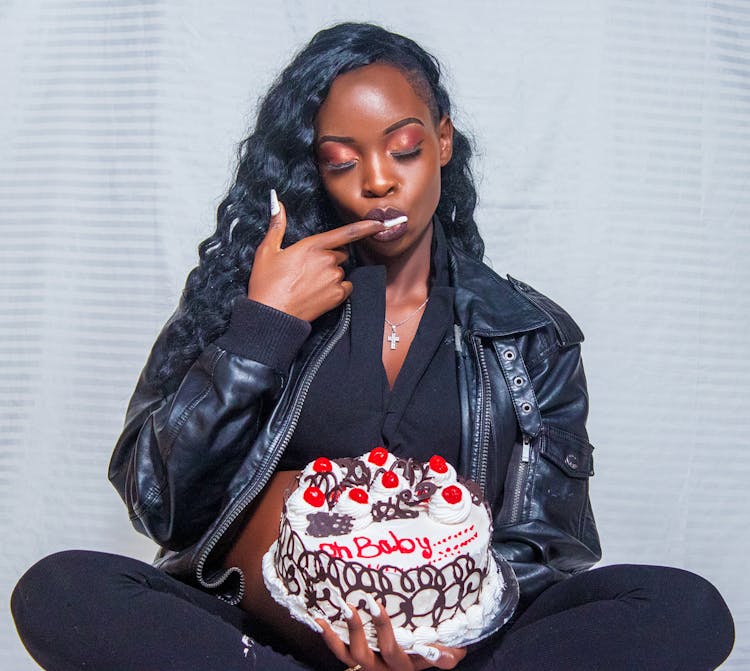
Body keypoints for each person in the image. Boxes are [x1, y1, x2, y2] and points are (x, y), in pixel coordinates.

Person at [11, 21, 734, 671]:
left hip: (455, 648)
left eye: (405, 147)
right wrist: (261, 330)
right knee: (62, 589)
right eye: (341, 159)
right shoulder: (252, 296)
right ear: (314, 168)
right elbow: (155, 500)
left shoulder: (527, 332)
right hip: (258, 636)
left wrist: (446, 637)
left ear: (442, 142)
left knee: (683, 607)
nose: (380, 180)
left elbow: (549, 543)